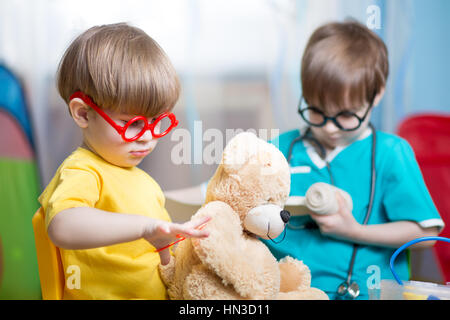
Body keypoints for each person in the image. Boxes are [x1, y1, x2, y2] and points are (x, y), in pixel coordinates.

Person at [262, 20, 444, 300]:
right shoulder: (275, 150)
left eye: (346, 115)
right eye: (317, 111)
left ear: (377, 93)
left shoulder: (391, 153)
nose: (331, 127)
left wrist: (355, 231)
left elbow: (426, 232)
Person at [38, 23, 210, 300]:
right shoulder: (83, 170)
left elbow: (154, 230)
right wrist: (144, 227)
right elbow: (62, 224)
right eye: (132, 124)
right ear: (83, 114)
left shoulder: (135, 176)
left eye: (156, 122)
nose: (148, 137)